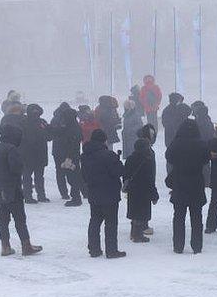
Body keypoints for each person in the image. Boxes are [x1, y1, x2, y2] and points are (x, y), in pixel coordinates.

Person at [0, 125, 42, 256]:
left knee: (3, 219)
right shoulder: (12, 149)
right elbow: (16, 168)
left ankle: (5, 246)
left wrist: (0, 169)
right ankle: (26, 245)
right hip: (13, 189)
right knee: (20, 219)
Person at [166, 119, 210, 254]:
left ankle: (178, 246)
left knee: (178, 216)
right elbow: (206, 159)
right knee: (196, 217)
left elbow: (169, 157)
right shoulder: (200, 144)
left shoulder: (176, 143)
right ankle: (197, 246)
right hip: (196, 182)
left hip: (179, 182)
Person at [81, 129, 126, 259]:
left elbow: (84, 175)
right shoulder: (109, 155)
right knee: (111, 223)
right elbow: (119, 172)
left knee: (94, 221)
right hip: (109, 193)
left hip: (93, 192)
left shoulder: (85, 156)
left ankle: (94, 249)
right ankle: (111, 250)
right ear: (103, 140)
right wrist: (118, 162)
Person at [124, 137, 158, 243]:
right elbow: (150, 179)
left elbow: (125, 175)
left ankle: (134, 232)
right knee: (141, 213)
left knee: (135, 212)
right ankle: (137, 235)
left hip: (133, 190)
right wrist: (154, 195)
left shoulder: (130, 159)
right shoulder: (148, 160)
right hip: (144, 190)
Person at [49, 105, 84, 206]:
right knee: (73, 176)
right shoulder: (71, 125)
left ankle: (76, 198)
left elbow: (72, 143)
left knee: (73, 177)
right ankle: (77, 196)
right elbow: (59, 132)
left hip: (71, 156)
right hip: (71, 155)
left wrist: (68, 157)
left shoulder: (72, 128)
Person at [19, 104, 50, 203]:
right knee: (29, 176)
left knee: (36, 176)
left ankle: (39, 195)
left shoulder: (41, 122)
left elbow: (50, 135)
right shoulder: (24, 123)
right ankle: (29, 196)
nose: (36, 114)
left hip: (37, 153)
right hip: (29, 153)